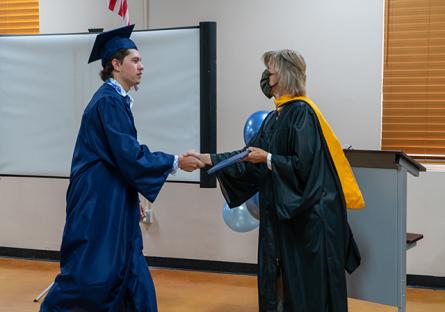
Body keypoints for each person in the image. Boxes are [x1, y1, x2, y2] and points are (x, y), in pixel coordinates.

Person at [40, 25, 204, 312]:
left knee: (127, 266)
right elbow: (129, 155)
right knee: (94, 274)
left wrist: (131, 196)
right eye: (135, 60)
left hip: (113, 197)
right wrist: (175, 161)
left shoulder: (116, 100)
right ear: (116, 65)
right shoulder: (108, 102)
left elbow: (119, 158)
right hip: (97, 202)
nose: (142, 66)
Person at [188, 49, 364, 311]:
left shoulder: (302, 114)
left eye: (270, 71)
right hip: (283, 219)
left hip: (307, 221)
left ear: (284, 75)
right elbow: (249, 155)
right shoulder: (275, 117)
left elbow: (304, 167)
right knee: (281, 284)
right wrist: (208, 159)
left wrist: (269, 158)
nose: (266, 75)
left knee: (306, 291)